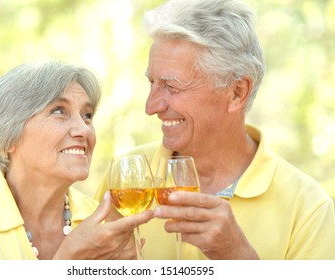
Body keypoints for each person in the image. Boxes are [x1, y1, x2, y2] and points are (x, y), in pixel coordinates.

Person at [94, 0, 335, 259]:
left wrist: (238, 258)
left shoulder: (309, 209)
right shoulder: (124, 181)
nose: (151, 107)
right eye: (152, 82)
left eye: (171, 86)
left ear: (236, 92)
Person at [0, 60, 153, 260]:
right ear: (9, 135)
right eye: (59, 111)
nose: (83, 129)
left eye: (87, 115)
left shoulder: (100, 222)